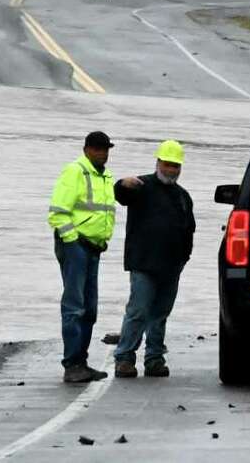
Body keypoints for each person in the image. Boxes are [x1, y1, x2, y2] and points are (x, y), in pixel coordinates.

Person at [110, 139, 196, 378]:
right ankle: (125, 358)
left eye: (175, 166)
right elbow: (121, 194)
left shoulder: (183, 197)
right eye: (167, 164)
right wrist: (121, 184)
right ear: (158, 162)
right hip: (143, 264)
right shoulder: (141, 186)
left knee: (160, 315)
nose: (171, 170)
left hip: (172, 267)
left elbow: (189, 229)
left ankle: (154, 358)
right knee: (138, 311)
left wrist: (184, 258)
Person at [47, 130, 117, 383]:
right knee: (75, 307)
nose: (102, 153)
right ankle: (72, 364)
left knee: (89, 309)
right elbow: (57, 212)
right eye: (98, 149)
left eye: (105, 149)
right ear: (86, 149)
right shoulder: (75, 171)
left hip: (94, 247)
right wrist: (72, 240)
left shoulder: (105, 176)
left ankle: (81, 362)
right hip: (76, 246)